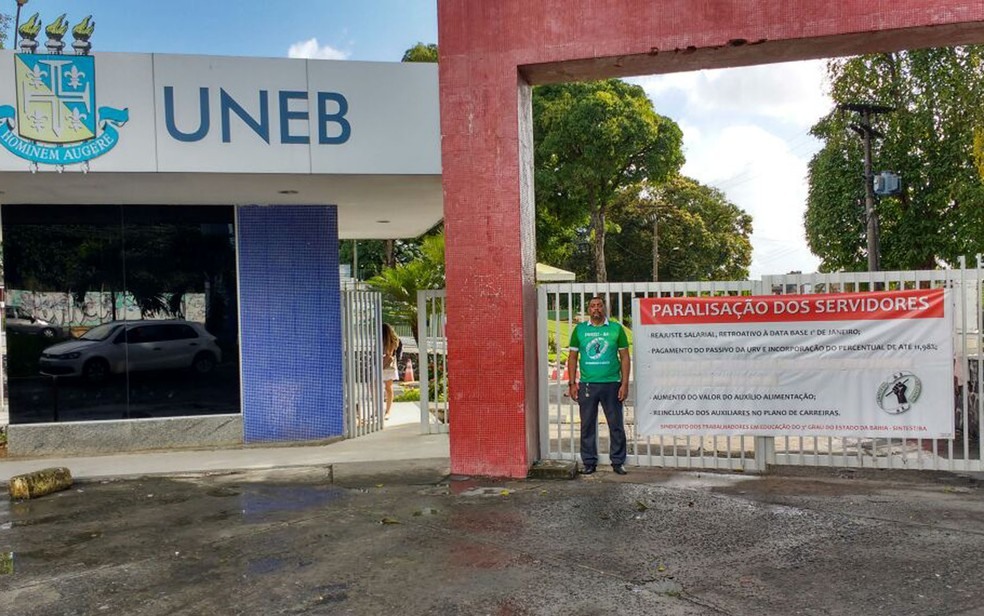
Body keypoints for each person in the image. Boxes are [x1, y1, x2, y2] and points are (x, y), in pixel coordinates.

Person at [566, 296, 630, 475]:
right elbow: (572, 358)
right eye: (593, 306)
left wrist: (624, 383)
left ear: (604, 308)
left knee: (616, 424)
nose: (596, 309)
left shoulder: (616, 329)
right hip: (588, 384)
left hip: (612, 384)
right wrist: (572, 383)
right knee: (587, 425)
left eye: (599, 306)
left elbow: (625, 357)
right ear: (588, 310)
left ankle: (618, 462)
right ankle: (589, 462)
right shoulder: (580, 330)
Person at [382, 323, 401, 420]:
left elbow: (389, 354)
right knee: (388, 388)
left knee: (387, 388)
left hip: (386, 366)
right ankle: (387, 411)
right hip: (388, 367)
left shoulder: (391, 341)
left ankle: (387, 411)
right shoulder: (392, 340)